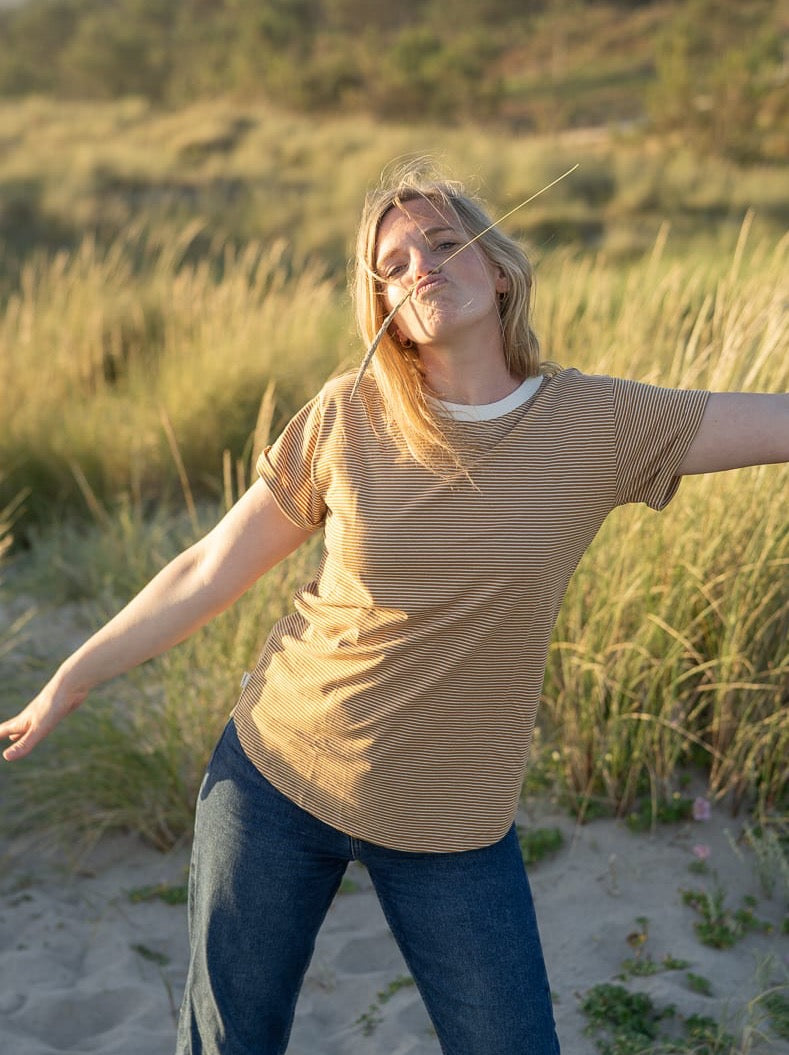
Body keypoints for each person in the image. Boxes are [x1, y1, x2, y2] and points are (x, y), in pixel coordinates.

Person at [1, 163, 787, 1055]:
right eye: (393, 261)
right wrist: (70, 678)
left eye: (445, 242)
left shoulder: (600, 422)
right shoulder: (348, 413)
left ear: (499, 271)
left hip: (453, 819)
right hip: (277, 778)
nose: (420, 264)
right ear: (383, 306)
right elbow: (208, 567)